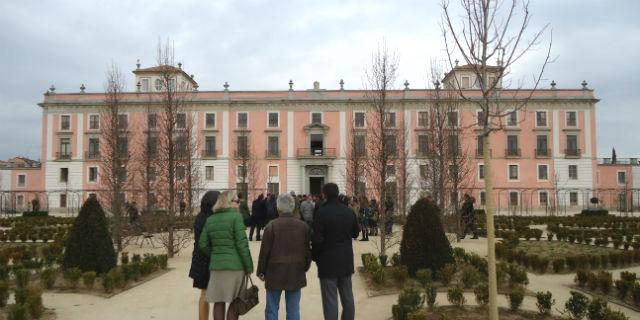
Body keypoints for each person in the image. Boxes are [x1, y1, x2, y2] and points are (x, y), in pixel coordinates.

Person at [199, 191, 253, 320]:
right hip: (235, 267)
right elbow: (242, 245)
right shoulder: (236, 217)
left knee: (219, 301)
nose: (239, 204)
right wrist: (249, 266)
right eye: (237, 201)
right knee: (236, 302)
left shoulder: (210, 219)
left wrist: (215, 255)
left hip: (217, 267)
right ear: (229, 202)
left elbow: (202, 244)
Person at [257, 193, 311, 320]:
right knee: (293, 309)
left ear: (278, 208)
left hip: (274, 272)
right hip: (295, 271)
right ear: (292, 208)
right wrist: (305, 267)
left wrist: (261, 271)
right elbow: (307, 251)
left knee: (272, 309)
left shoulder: (271, 226)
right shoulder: (303, 226)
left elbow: (264, 252)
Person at [312, 183, 360, 320]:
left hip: (327, 262)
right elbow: (356, 233)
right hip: (345, 259)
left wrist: (315, 256)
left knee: (330, 300)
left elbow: (317, 239)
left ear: (324, 194)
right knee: (348, 297)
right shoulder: (348, 211)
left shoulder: (321, 212)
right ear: (338, 193)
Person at [189, 191, 220, 320]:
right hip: (209, 260)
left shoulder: (200, 217)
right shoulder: (213, 219)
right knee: (217, 297)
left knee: (204, 294)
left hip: (199, 260)